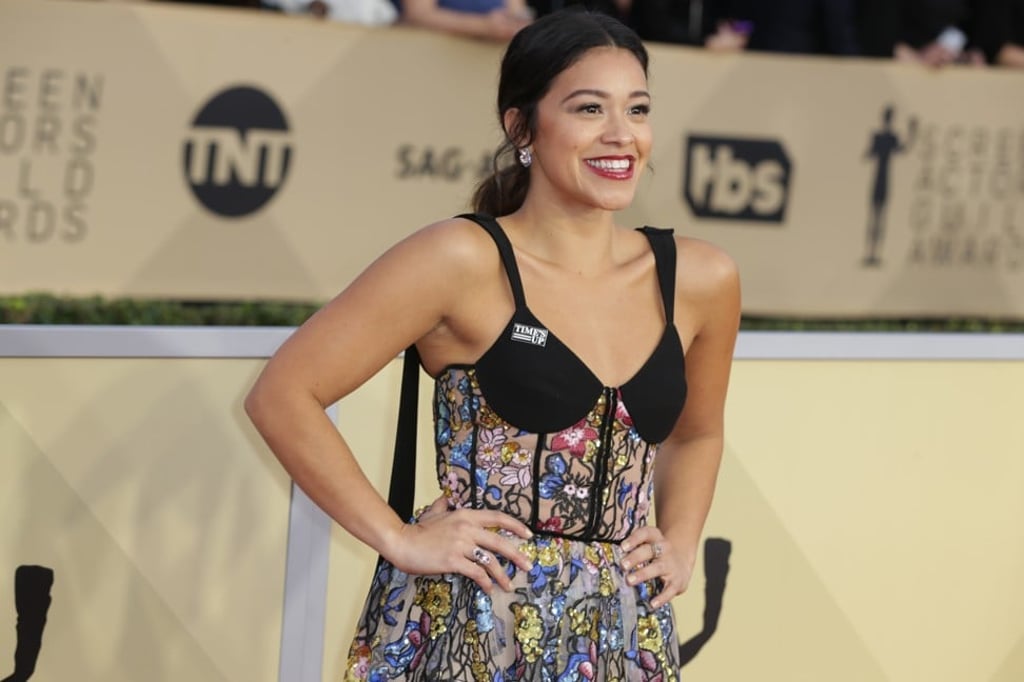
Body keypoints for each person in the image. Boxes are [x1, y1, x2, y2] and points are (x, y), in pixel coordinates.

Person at [244, 8, 740, 680]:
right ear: (522, 127)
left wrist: (681, 543)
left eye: (638, 109)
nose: (622, 135)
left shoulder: (701, 277)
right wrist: (399, 539)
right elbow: (284, 393)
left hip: (623, 630)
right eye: (589, 108)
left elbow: (696, 434)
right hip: (474, 625)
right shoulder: (461, 259)